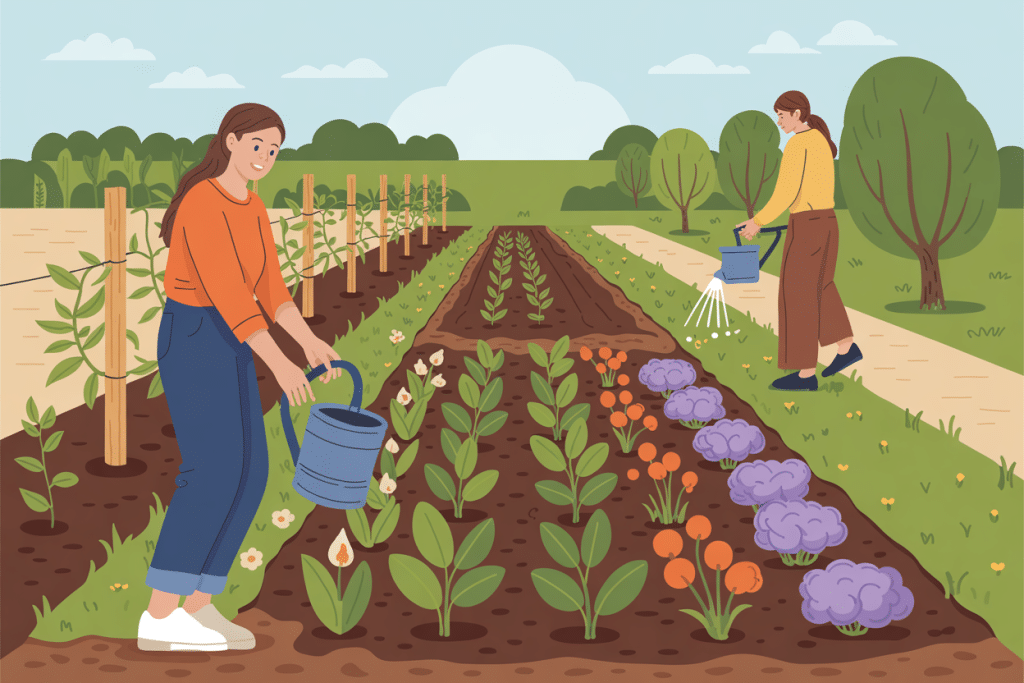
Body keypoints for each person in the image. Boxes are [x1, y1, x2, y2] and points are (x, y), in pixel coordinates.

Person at [137, 103, 344, 652]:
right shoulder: (203, 203)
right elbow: (229, 294)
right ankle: (159, 615)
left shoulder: (252, 207)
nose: (265, 158)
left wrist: (310, 341)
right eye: (257, 144)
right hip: (195, 334)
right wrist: (279, 363)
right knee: (210, 471)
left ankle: (199, 606)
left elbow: (271, 288)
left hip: (232, 337)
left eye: (274, 150)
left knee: (252, 472)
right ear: (229, 140)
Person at [734, 91, 862, 392]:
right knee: (822, 286)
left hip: (806, 226)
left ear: (798, 114)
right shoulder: (819, 139)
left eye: (782, 115)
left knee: (797, 294)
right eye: (777, 115)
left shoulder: (798, 144)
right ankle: (846, 347)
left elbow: (787, 192)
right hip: (828, 222)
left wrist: (758, 222)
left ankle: (805, 374)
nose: (779, 121)